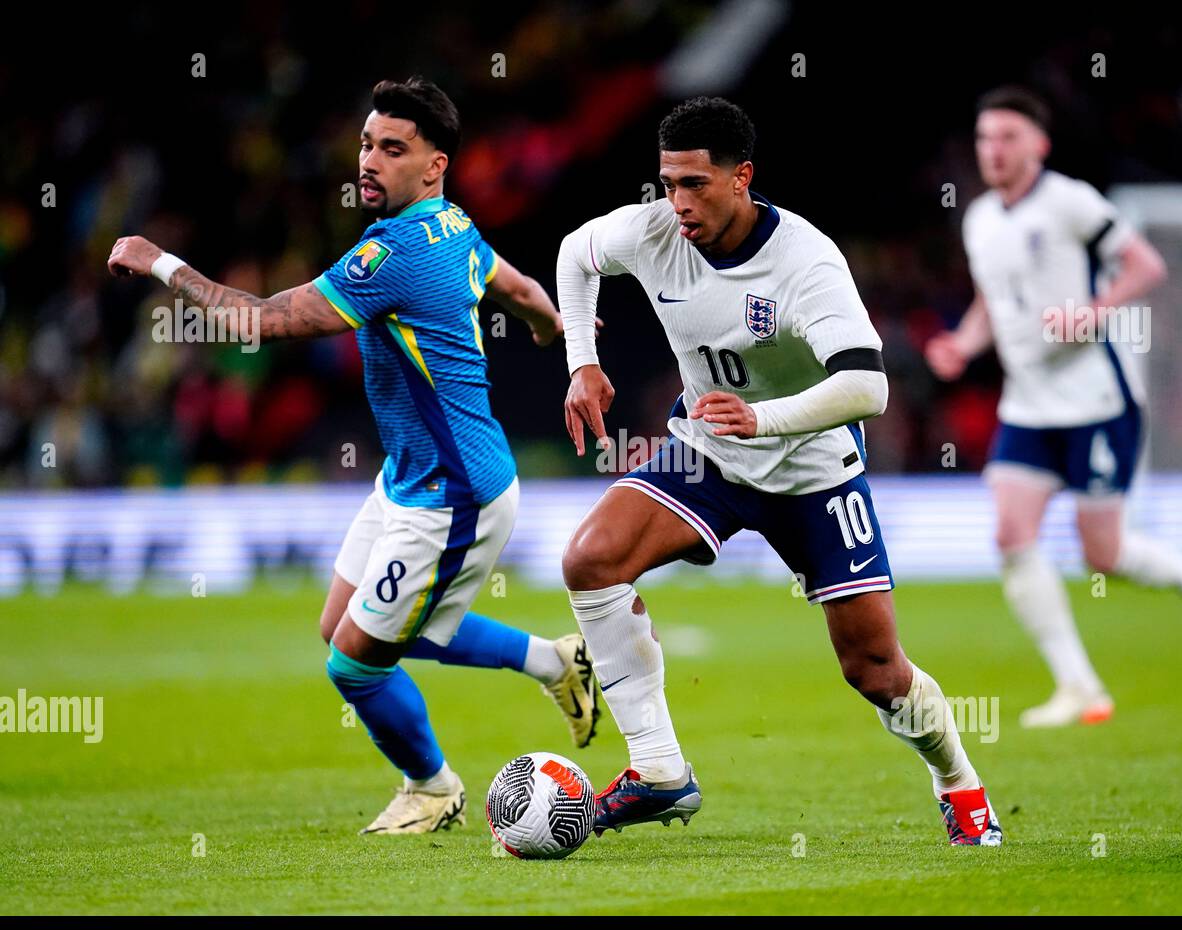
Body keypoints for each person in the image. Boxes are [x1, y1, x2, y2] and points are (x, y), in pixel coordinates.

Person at [109, 77, 599, 835]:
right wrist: (552, 333)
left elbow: (264, 322)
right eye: (367, 144)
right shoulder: (454, 225)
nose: (369, 161)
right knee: (346, 623)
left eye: (392, 149)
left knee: (355, 660)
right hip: (409, 479)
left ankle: (433, 789)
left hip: (454, 493)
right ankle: (554, 661)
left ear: (434, 166)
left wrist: (160, 263)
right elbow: (520, 287)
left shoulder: (392, 255)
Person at [554, 97, 1002, 846]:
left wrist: (765, 418)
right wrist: (582, 362)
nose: (678, 202)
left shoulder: (806, 262)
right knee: (590, 561)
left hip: (812, 469)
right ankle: (660, 770)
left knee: (875, 670)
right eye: (667, 182)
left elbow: (869, 387)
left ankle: (958, 781)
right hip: (710, 452)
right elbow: (575, 252)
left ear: (742, 178)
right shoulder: (656, 230)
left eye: (695, 184)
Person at [925, 86, 1182, 728]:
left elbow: (1144, 264)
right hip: (1028, 406)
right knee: (1010, 534)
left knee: (1103, 554)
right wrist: (964, 342)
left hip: (1097, 401)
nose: (993, 149)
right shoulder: (981, 218)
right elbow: (995, 298)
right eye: (985, 138)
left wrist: (1091, 313)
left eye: (1008, 137)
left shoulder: (1069, 201)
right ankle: (1079, 686)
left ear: (1038, 145)